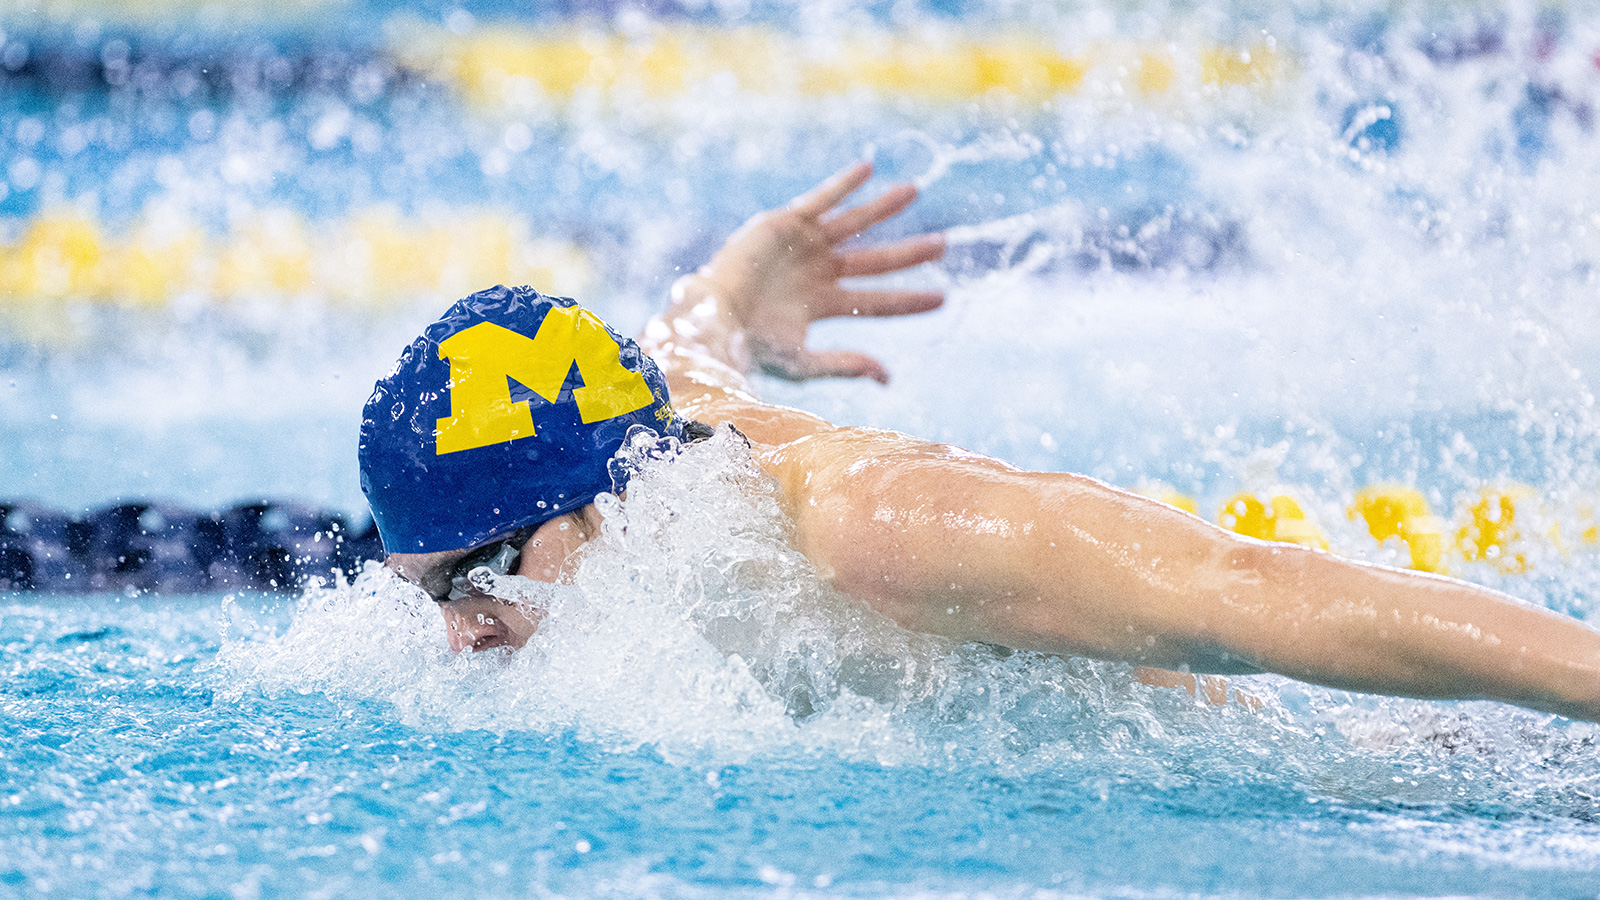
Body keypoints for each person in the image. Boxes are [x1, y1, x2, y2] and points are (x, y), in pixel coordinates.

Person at [363, 161, 1600, 722]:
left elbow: (1250, 590)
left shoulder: (878, 532)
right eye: (432, 592)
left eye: (481, 575)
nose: (462, 630)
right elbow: (686, 338)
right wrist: (743, 273)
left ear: (603, 498)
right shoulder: (652, 443)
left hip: (1354, 742)